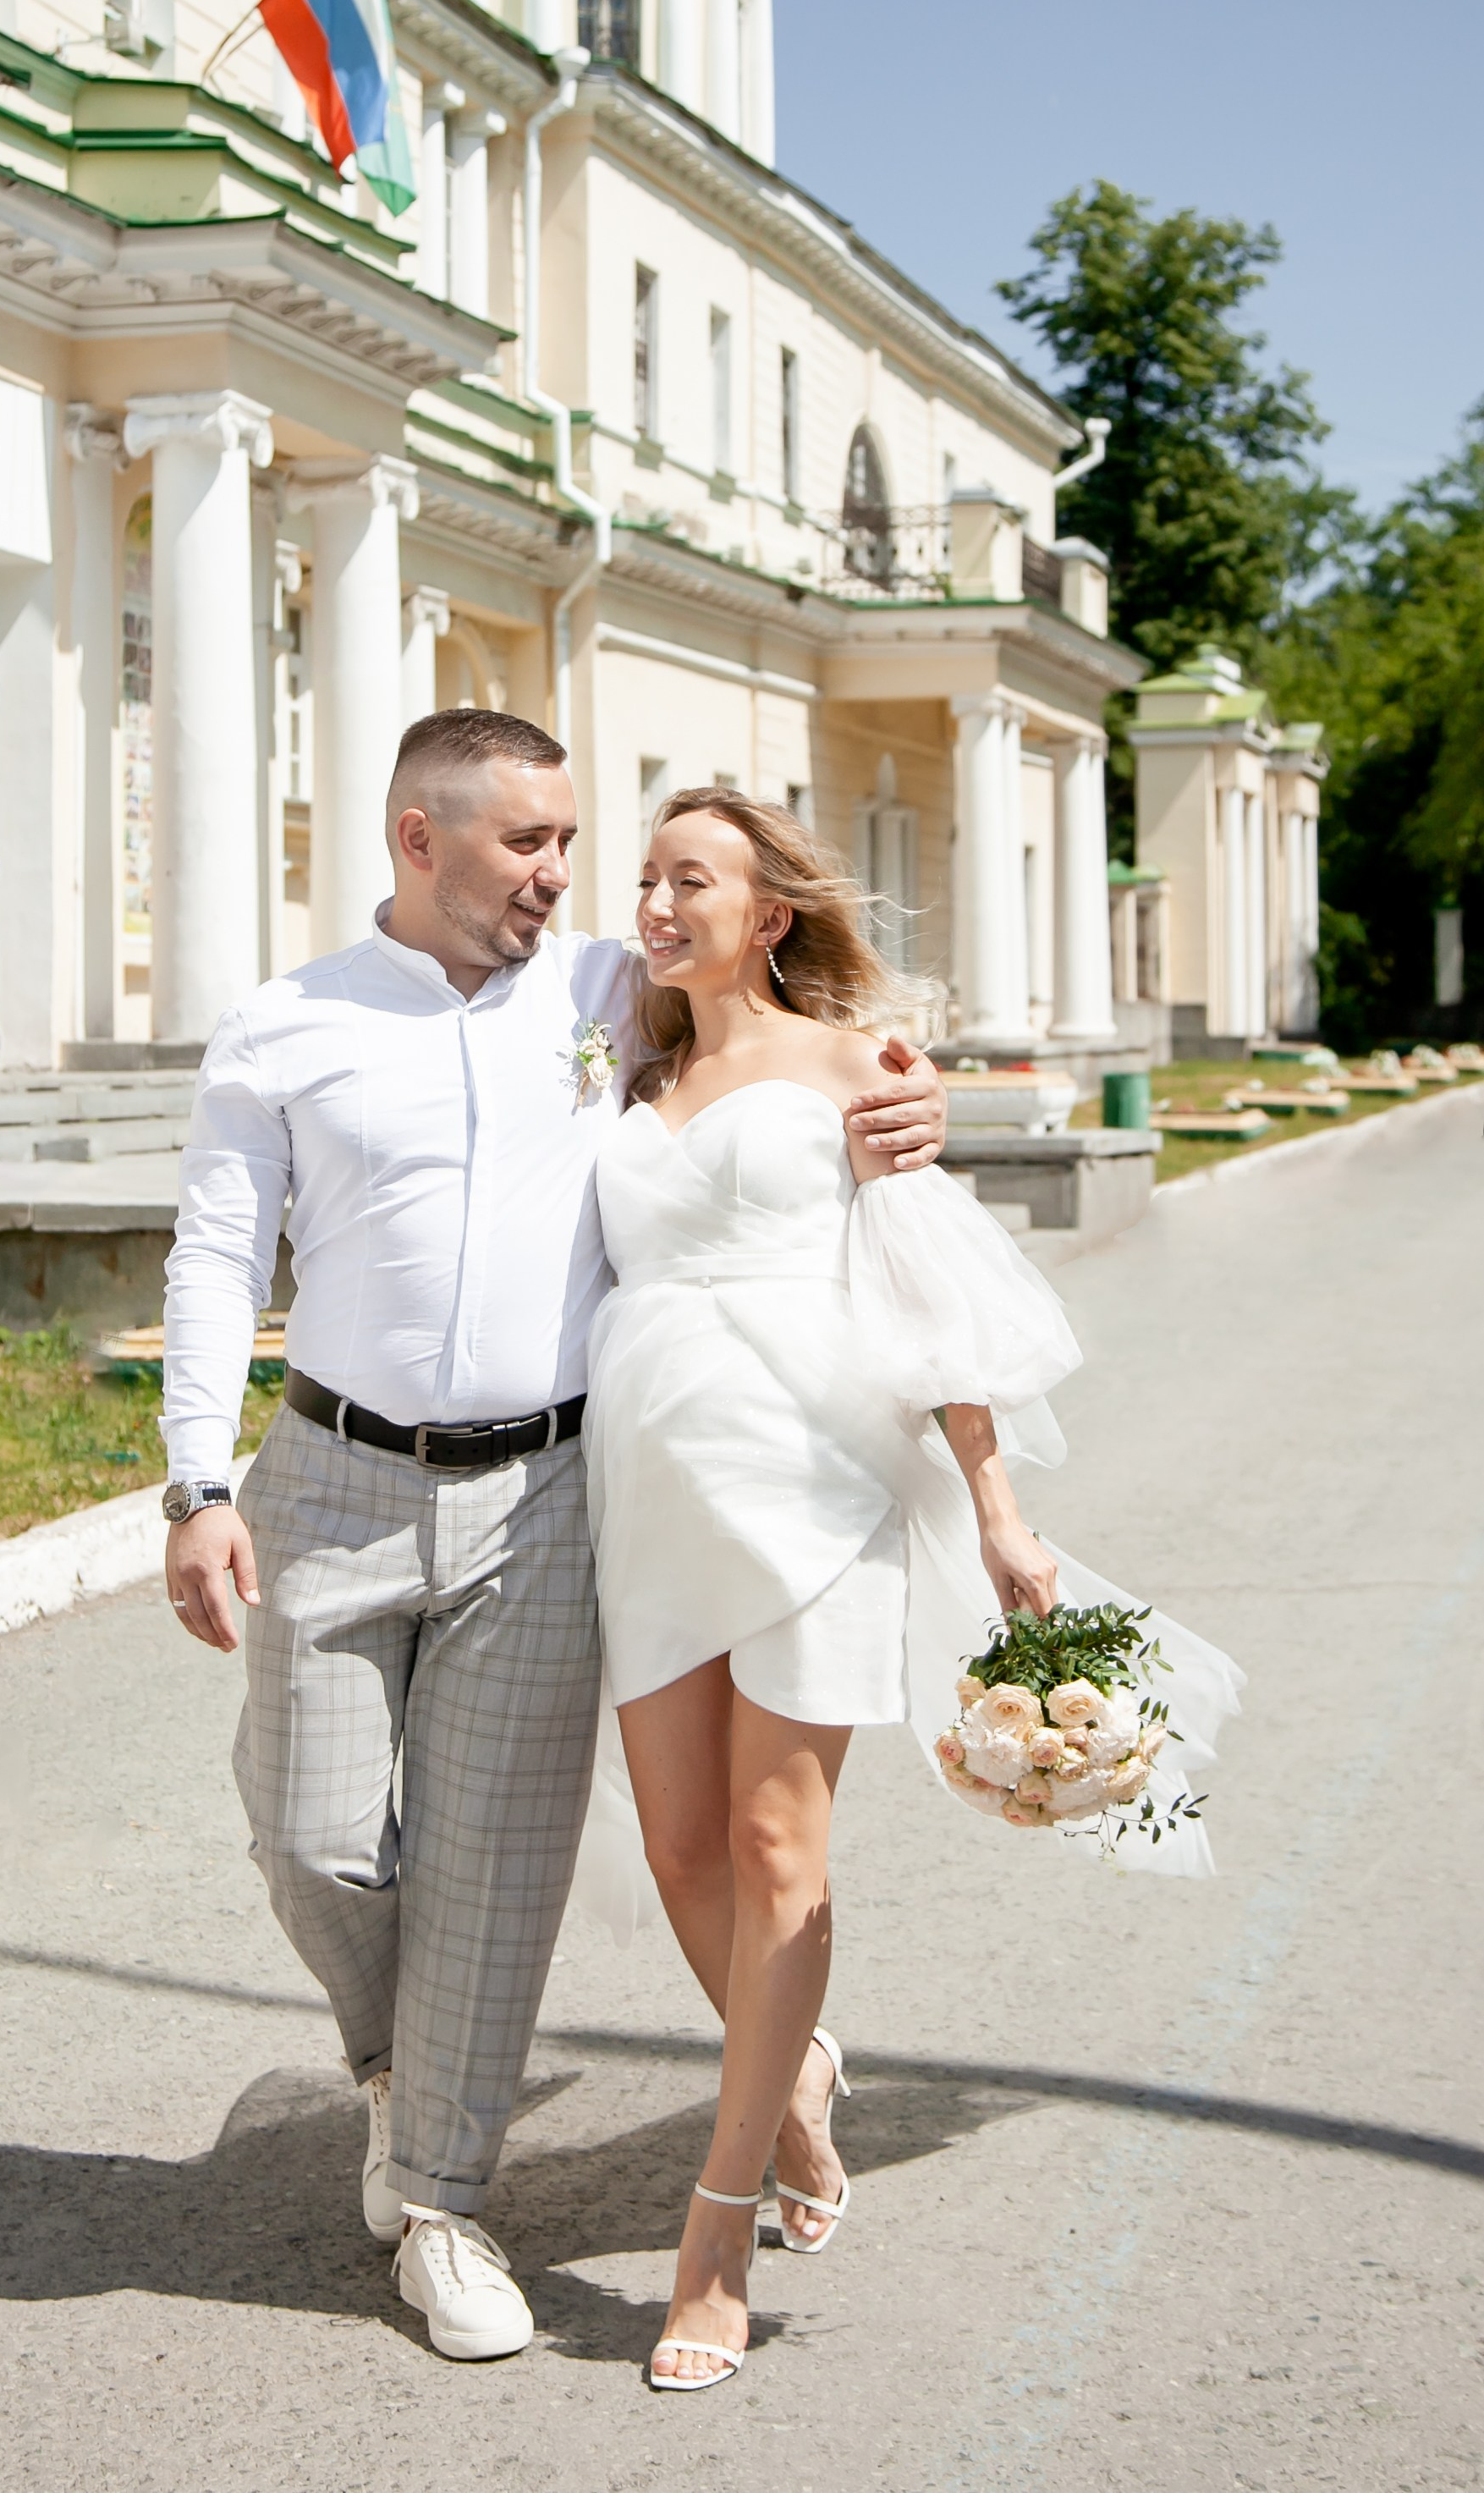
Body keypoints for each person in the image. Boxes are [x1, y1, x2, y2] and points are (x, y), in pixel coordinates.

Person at [160, 711, 950, 2364]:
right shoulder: (284, 1025)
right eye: (528, 843)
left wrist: (905, 1086)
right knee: (313, 1837)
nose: (565, 877)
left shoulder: (608, 989)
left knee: (491, 1878)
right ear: (416, 839)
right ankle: (399, 2064)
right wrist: (194, 1481)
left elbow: (783, 1010)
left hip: (553, 1497)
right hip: (330, 1475)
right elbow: (217, 1252)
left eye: (569, 845)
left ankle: (440, 2198)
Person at [584, 785, 1239, 2394]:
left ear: (771, 911)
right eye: (647, 876)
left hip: (813, 1481)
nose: (659, 904)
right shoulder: (621, 1057)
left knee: (770, 1848)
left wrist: (999, 1509)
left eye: (694, 880)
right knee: (676, 1854)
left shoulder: (854, 1068)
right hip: (647, 1491)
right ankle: (790, 2078)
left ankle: (718, 2228)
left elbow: (927, 1289)